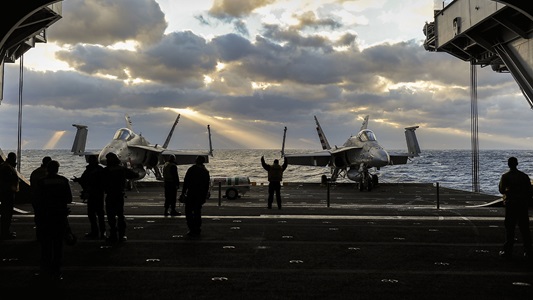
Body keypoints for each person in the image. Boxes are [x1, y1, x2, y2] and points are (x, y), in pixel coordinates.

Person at [34, 160, 72, 280]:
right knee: (58, 245)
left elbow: (38, 200)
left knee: (46, 246)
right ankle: (56, 272)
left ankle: (44, 271)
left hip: (46, 217)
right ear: (57, 169)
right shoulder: (63, 181)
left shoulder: (42, 182)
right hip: (59, 216)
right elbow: (69, 199)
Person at [498, 156, 533, 259]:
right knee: (525, 229)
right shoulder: (524, 176)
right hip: (522, 205)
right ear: (517, 164)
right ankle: (528, 251)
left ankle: (508, 251)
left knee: (510, 229)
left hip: (511, 205)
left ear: (509, 164)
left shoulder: (505, 176)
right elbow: (530, 191)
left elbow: (501, 190)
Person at [102, 152, 139, 243]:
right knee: (120, 216)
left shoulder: (106, 170)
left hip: (110, 195)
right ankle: (122, 235)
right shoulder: (121, 169)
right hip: (119, 195)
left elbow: (100, 182)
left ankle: (113, 235)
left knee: (111, 217)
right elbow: (134, 175)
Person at [74, 155, 106, 239]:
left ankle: (96, 232)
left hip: (93, 194)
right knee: (98, 215)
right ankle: (101, 232)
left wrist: (79, 181)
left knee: (94, 214)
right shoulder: (100, 170)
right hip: (97, 194)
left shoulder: (90, 171)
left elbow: (85, 180)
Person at [180, 156, 210, 237]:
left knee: (188, 212)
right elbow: (207, 185)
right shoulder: (205, 171)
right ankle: (197, 228)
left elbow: (186, 181)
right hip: (200, 195)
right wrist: (204, 196)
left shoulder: (192, 169)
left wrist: (183, 193)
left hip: (191, 194)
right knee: (197, 212)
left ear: (196, 161)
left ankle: (192, 229)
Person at [30, 156, 52, 239]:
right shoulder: (47, 174)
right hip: (45, 199)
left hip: (36, 198)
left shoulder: (35, 172)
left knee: (38, 218)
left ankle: (39, 235)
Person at [0, 152, 19, 239]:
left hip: (5, 193)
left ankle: (4, 232)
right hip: (7, 194)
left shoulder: (5, 166)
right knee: (7, 214)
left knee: (5, 214)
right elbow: (9, 181)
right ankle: (5, 233)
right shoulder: (7, 168)